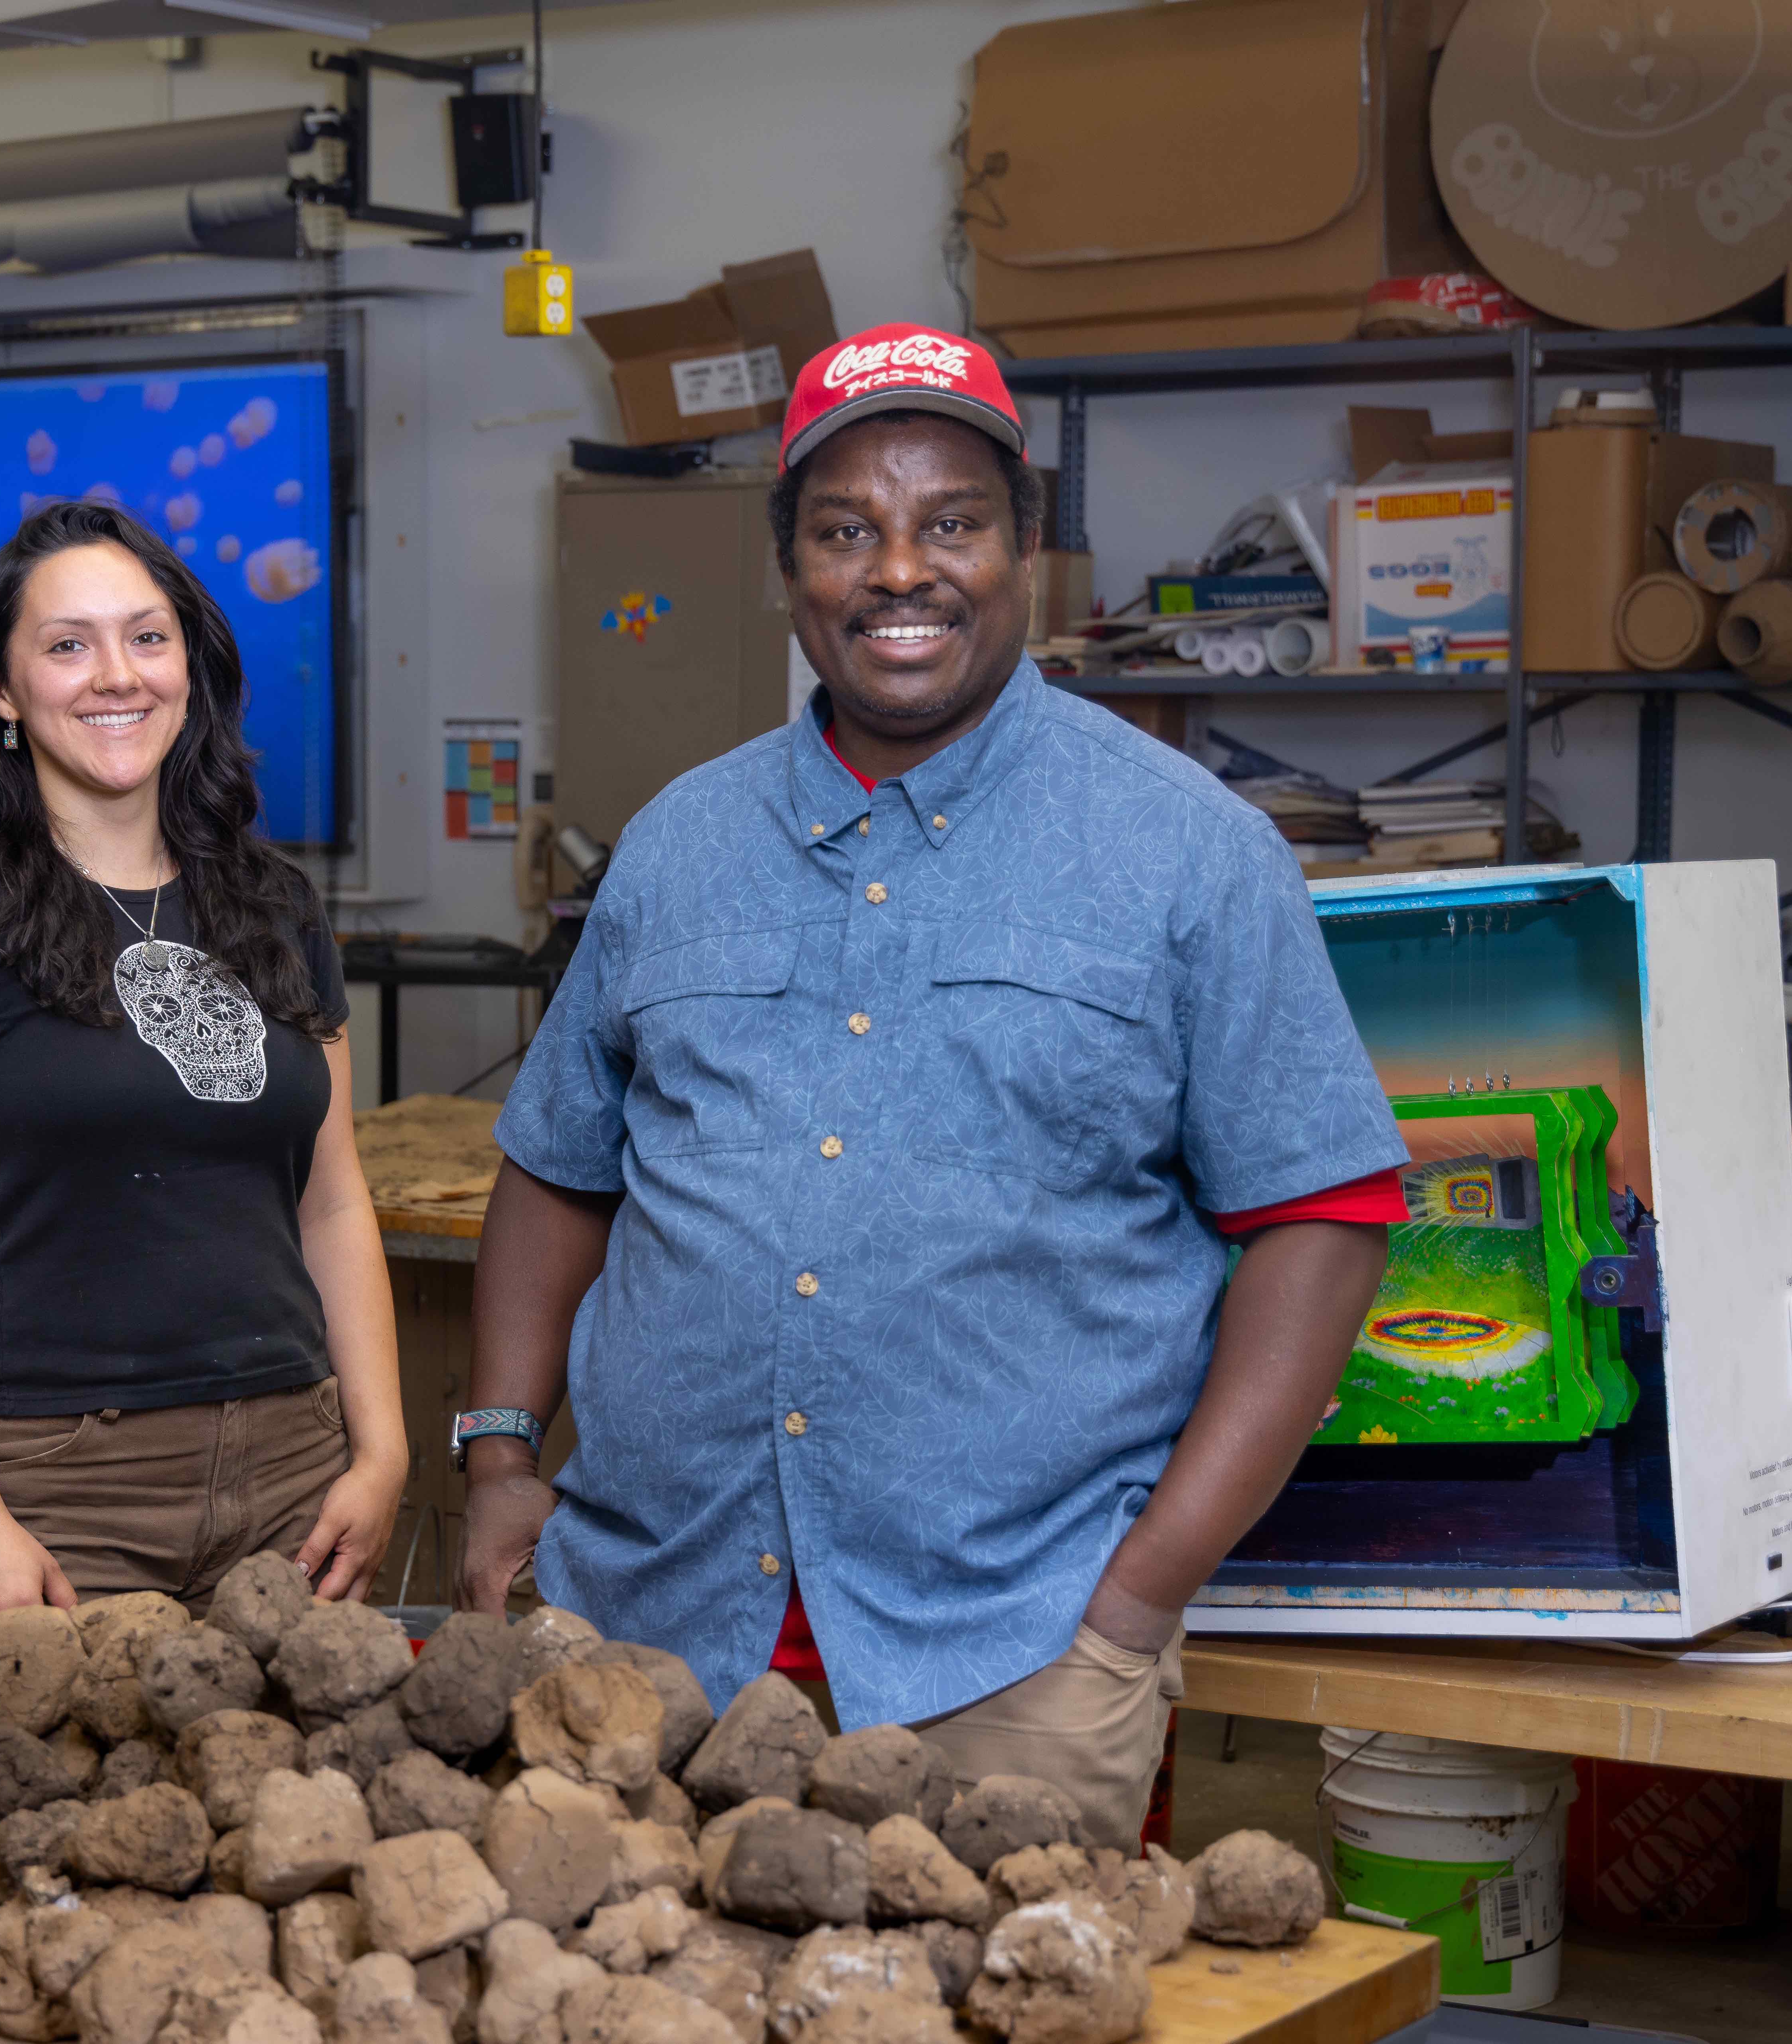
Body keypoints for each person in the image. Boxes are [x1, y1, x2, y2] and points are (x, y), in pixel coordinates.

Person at [459, 325, 1404, 1846]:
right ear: (792, 570)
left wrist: (1140, 1592)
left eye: (951, 522)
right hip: (641, 1637)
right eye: (846, 530)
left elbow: (1324, 1214)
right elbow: (562, 1164)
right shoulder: (677, 844)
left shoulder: (1186, 848)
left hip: (1002, 1657)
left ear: (1027, 546)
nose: (899, 569)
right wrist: (499, 1450)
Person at [0, 499, 405, 1615]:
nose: (115, 675)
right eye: (66, 645)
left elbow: (332, 1205)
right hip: (52, 1479)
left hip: (294, 1469)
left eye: (147, 637)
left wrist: (379, 1452)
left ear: (189, 667)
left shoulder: (274, 904)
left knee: (299, 1793)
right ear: (2, 690)